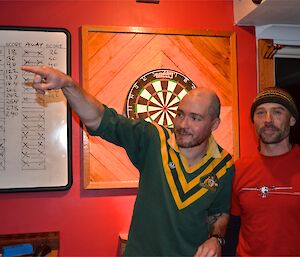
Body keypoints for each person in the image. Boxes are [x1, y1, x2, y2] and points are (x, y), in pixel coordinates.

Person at [21, 65, 234, 257]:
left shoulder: (224, 165)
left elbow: (219, 212)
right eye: (180, 114)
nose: (183, 124)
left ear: (214, 124)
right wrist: (68, 85)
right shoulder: (153, 139)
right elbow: (98, 118)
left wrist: (216, 239)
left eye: (195, 118)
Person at [229, 87, 300, 256]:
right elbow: (232, 227)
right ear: (253, 121)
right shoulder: (238, 169)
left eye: (277, 112)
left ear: (292, 120)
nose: (268, 120)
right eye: (260, 113)